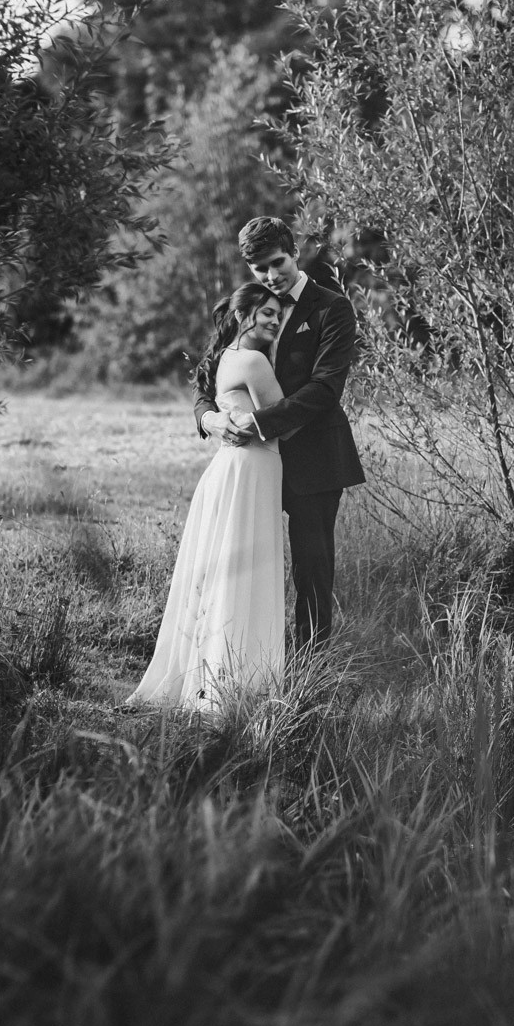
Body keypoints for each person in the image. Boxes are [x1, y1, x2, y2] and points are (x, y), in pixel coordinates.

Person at [196, 216, 365, 650]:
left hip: (314, 463)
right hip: (251, 470)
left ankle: (308, 677)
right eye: (259, 269)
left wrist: (257, 425)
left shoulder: (332, 307)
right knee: (246, 569)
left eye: (278, 262)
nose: (271, 276)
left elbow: (325, 389)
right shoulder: (247, 304)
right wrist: (209, 419)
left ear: (294, 252)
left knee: (311, 572)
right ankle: (241, 664)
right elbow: (209, 376)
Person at [127, 284, 286, 713]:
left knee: (222, 573)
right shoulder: (253, 361)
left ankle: (208, 678)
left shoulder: (222, 358)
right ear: (243, 314)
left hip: (229, 470)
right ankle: (232, 686)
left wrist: (220, 418)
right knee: (244, 574)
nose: (274, 320)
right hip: (250, 470)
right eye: (266, 313)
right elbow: (284, 421)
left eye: (277, 314)